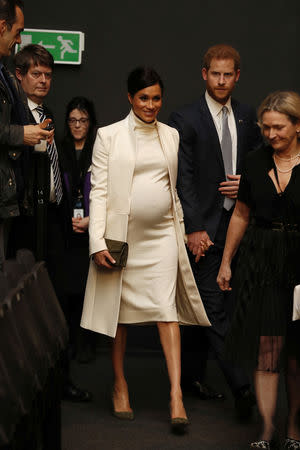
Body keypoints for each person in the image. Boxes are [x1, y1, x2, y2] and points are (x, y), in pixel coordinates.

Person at [81, 66, 210, 432]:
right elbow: (100, 191)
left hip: (163, 236)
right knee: (118, 314)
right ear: (129, 98)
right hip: (123, 237)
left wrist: (186, 229)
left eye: (156, 98)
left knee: (167, 310)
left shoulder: (171, 134)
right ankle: (119, 385)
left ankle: (175, 395)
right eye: (143, 98)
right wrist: (97, 243)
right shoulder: (108, 136)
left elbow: (175, 187)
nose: (150, 105)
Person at [168, 44, 262, 414]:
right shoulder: (184, 118)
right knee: (210, 307)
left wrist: (248, 185)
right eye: (215, 73)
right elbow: (182, 179)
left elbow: (259, 167)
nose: (221, 80)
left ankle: (192, 377)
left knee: (227, 305)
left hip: (240, 228)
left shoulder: (247, 115)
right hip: (203, 231)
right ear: (203, 73)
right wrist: (193, 227)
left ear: (237, 76)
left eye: (228, 74)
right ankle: (243, 390)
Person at [217, 91, 300, 449]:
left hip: (299, 263)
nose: (271, 134)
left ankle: (294, 425)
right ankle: (267, 428)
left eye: (279, 127)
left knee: (297, 353)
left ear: (298, 126)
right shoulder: (254, 162)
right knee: (267, 347)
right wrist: (225, 262)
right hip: (261, 259)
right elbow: (241, 214)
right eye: (266, 128)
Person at [13, 44, 92, 403]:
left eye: (48, 75)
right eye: (36, 74)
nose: (44, 80)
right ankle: (31, 388)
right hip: (27, 224)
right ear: (19, 75)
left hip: (55, 222)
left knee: (56, 306)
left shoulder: (44, 114)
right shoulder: (15, 118)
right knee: (28, 308)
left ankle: (59, 382)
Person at [0, 0, 53, 265]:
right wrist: (23, 134)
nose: (18, 39)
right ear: (2, 27)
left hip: (12, 201)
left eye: (47, 75)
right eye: (17, 31)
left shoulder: (4, 75)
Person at [60, 96, 97, 363]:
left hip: (92, 229)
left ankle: (87, 345)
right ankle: (68, 342)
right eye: (73, 120)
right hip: (64, 230)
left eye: (83, 120)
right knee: (67, 290)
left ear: (90, 122)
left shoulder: (98, 150)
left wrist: (91, 220)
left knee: (90, 291)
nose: (77, 125)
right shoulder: (59, 149)